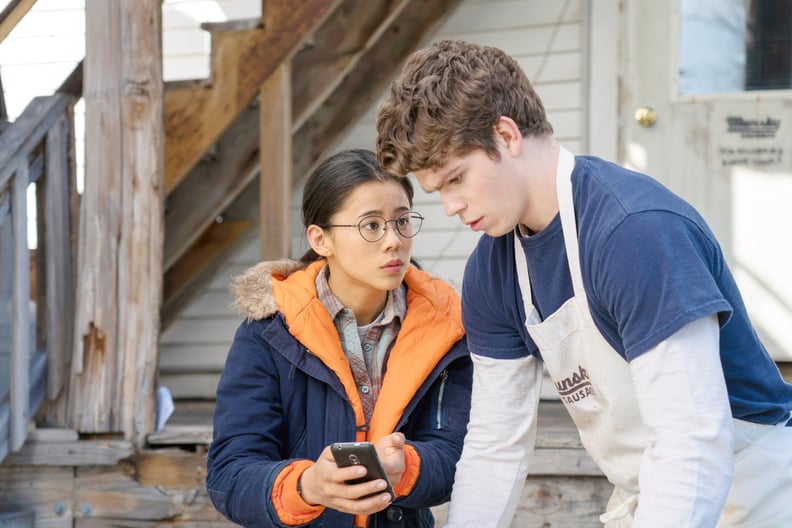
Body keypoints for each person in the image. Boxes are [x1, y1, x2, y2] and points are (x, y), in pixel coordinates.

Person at [375, 39, 792, 527]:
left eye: (455, 180)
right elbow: (494, 446)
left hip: (755, 491)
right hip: (651, 489)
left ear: (506, 135)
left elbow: (693, 439)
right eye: (436, 192)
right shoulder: (492, 269)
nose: (450, 207)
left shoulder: (634, 232)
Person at [206, 148, 473, 528]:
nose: (393, 241)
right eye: (371, 226)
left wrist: (407, 468)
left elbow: (455, 455)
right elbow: (230, 473)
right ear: (320, 239)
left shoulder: (446, 326)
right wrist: (307, 487)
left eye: (401, 221)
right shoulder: (266, 332)